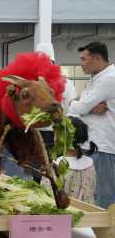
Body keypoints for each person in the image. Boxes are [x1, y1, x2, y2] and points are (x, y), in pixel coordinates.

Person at [69, 42, 115, 208]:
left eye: (84, 59)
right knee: (91, 193)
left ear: (97, 58)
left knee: (103, 197)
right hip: (94, 144)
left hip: (103, 145)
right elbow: (79, 105)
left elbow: (78, 107)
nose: (81, 63)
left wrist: (81, 105)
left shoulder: (108, 79)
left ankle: (108, 233)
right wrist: (83, 105)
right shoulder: (97, 79)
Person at [47, 117, 98, 204]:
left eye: (55, 133)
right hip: (87, 213)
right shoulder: (90, 164)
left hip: (65, 215)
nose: (54, 137)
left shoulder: (56, 166)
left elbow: (48, 197)